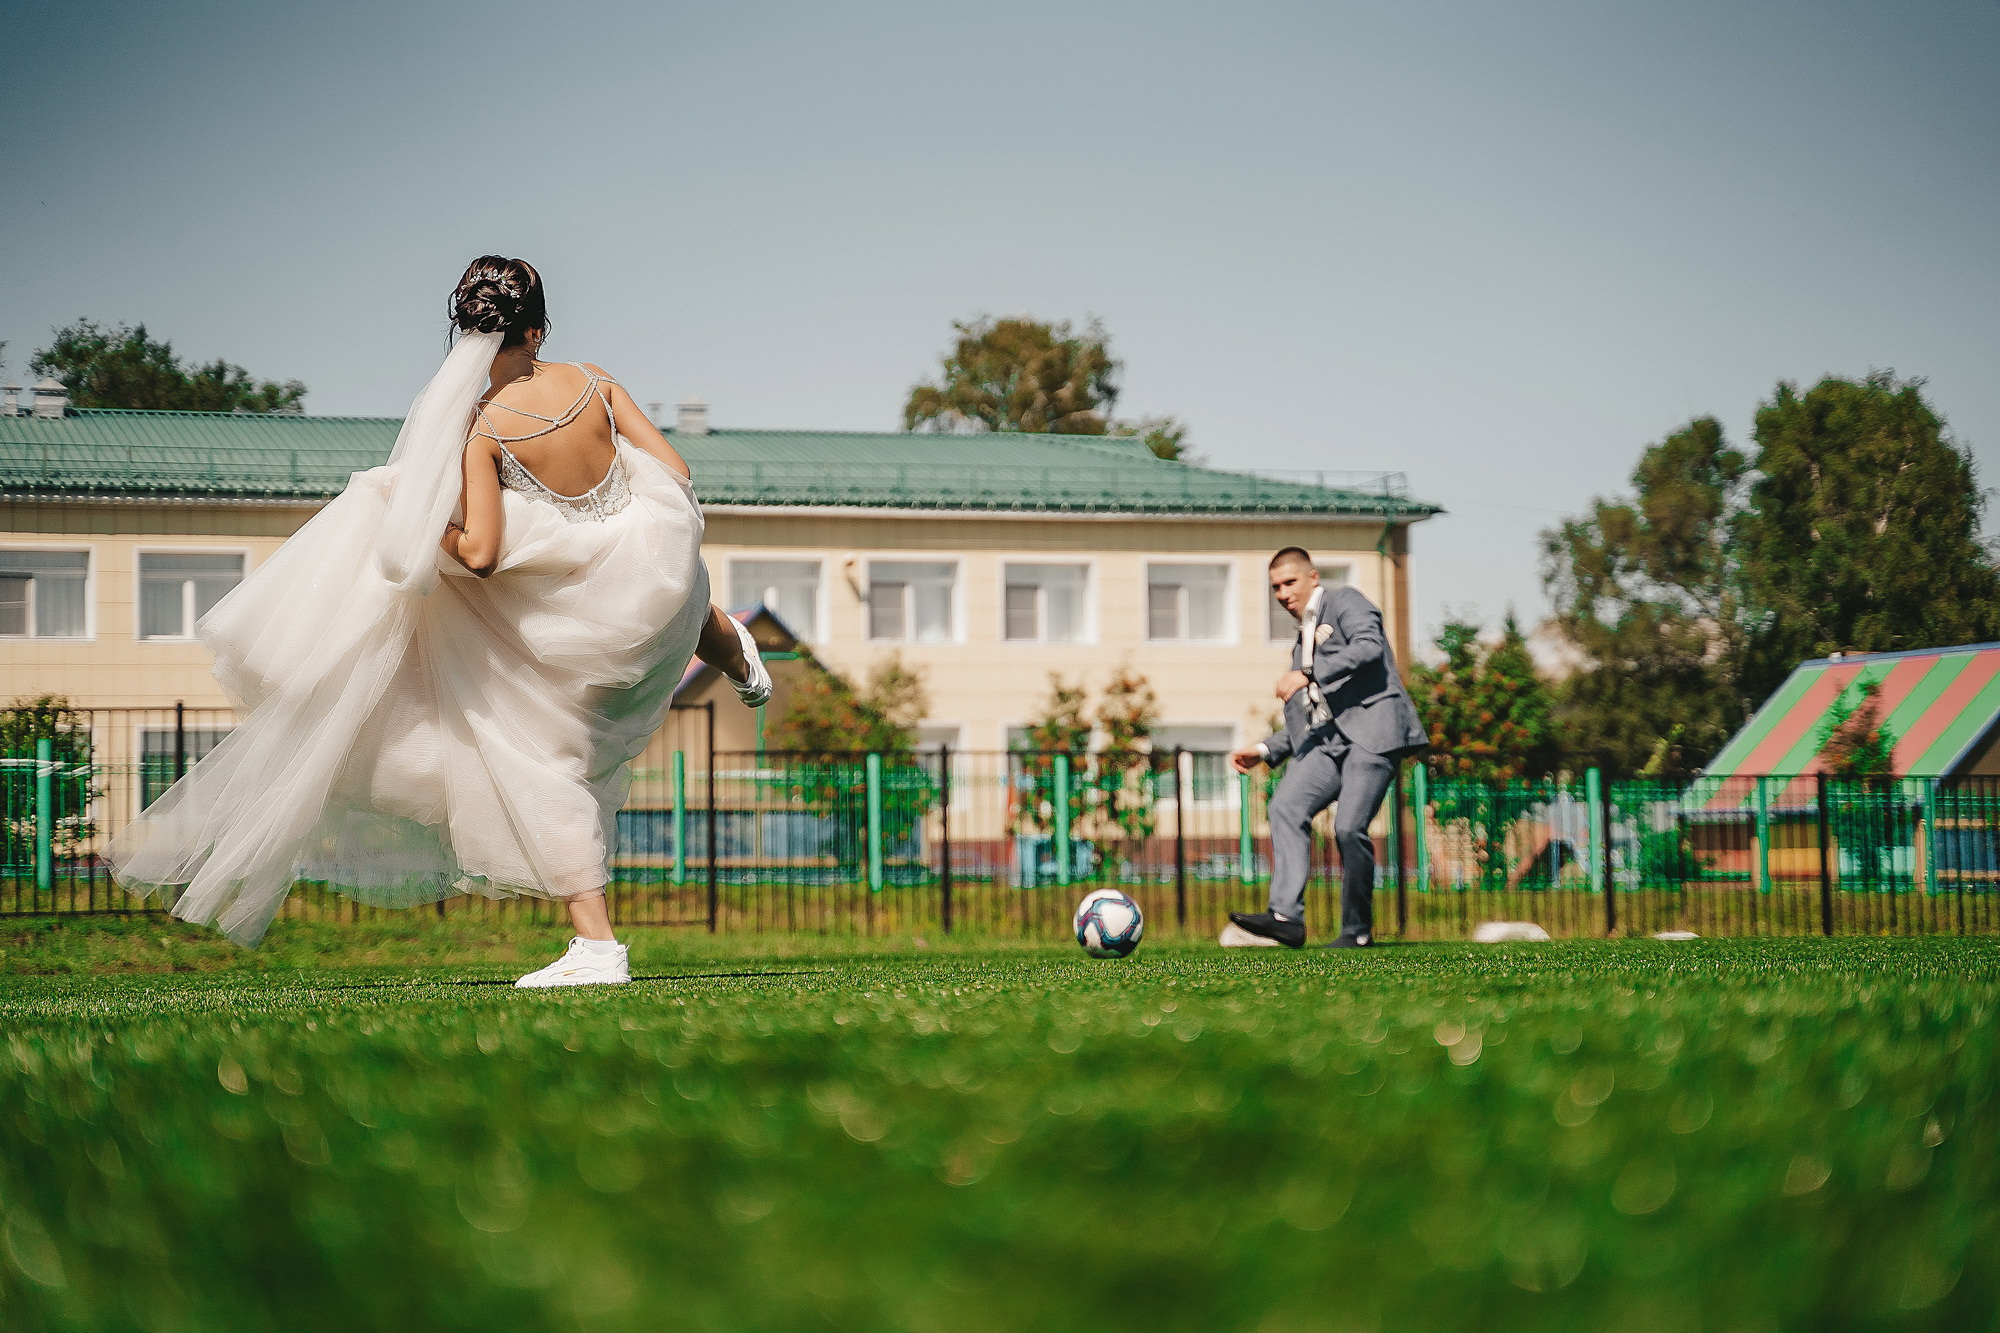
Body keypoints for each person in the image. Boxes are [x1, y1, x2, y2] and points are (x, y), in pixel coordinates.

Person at [110, 256, 769, 987]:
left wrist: (419, 527)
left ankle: (598, 946)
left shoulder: (482, 428)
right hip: (646, 582)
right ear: (539, 328)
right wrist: (604, 512)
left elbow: (483, 555)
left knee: (536, 759)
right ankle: (733, 645)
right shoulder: (597, 381)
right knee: (661, 578)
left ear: (469, 334)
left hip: (573, 623)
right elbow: (671, 470)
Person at [1226, 548, 1428, 948]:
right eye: (1275, 588)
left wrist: (1308, 673)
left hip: (1374, 731)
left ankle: (1356, 931)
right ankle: (1286, 917)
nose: (1283, 594)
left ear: (1313, 577)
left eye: (1289, 583)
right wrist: (1266, 749)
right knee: (1286, 806)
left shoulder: (1345, 601)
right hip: (1330, 742)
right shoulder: (1301, 644)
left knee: (1349, 828)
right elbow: (1313, 714)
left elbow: (1370, 647)